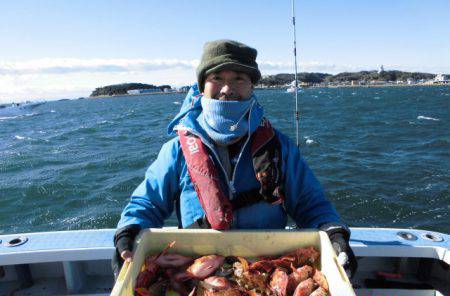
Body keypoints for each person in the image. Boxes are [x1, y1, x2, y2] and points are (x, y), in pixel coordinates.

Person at [112, 39, 357, 279]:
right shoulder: (176, 150)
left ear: (251, 86)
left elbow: (310, 203)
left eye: (239, 79)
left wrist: (333, 231)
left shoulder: (280, 148)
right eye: (216, 78)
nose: (227, 89)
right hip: (195, 273)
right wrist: (128, 230)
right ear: (201, 86)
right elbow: (149, 202)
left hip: (267, 272)